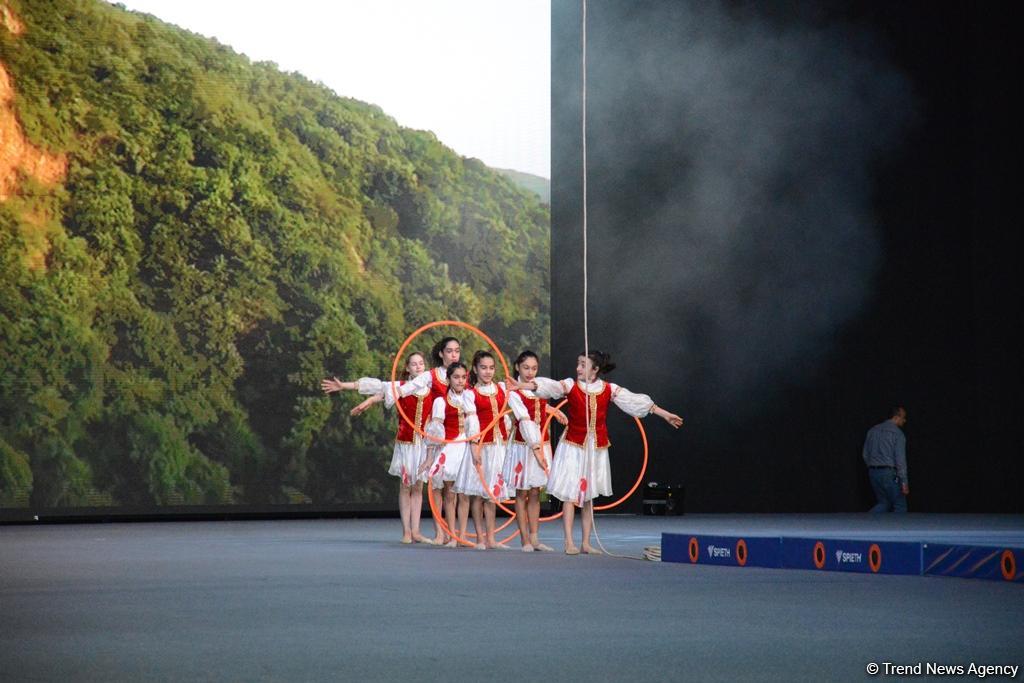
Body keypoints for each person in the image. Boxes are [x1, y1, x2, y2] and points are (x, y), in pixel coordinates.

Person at [510, 351, 683, 555]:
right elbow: (550, 387)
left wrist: (665, 415)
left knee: (588, 496)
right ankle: (569, 542)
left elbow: (634, 401)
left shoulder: (609, 389)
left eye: (583, 365)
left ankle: (585, 542)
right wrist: (523, 386)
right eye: (578, 364)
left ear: (595, 370)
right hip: (573, 446)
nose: (578, 368)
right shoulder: (570, 385)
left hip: (595, 448)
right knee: (569, 495)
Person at [320, 351, 436, 544]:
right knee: (406, 485)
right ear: (407, 368)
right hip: (407, 444)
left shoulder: (432, 387)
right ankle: (406, 531)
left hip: (424, 445)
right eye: (413, 364)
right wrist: (345, 386)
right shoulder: (399, 387)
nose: (418, 367)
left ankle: (416, 531)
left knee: (418, 487)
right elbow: (376, 388)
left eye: (421, 364)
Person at [503, 350, 567, 552]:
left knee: (535, 491)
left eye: (533, 368)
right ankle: (525, 540)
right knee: (521, 492)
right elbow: (524, 415)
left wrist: (554, 411)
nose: (530, 372)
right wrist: (535, 447)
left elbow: (538, 405)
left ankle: (535, 537)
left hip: (543, 441)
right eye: (525, 368)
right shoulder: (513, 391)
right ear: (517, 368)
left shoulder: (539, 385)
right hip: (524, 445)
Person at [423, 362, 478, 548]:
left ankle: (461, 535)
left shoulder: (471, 398)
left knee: (464, 494)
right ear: (448, 379)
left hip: (468, 447)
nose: (460, 381)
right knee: (450, 494)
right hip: (450, 448)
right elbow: (435, 431)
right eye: (456, 377)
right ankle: (451, 535)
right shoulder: (441, 401)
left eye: (463, 377)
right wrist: (430, 457)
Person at [862, 406, 909, 513]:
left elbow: (865, 454)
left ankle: (865, 524)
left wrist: (872, 468)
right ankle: (901, 530)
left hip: (873, 473)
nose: (904, 420)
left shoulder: (872, 430)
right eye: (903, 417)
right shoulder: (898, 434)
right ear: (897, 417)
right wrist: (904, 482)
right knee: (900, 505)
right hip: (889, 473)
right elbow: (900, 460)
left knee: (883, 503)